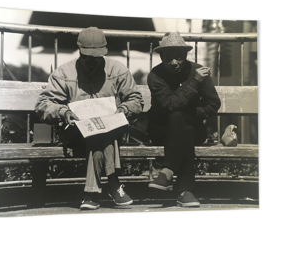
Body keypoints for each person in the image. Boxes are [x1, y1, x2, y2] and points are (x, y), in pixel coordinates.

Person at [35, 27, 144, 209]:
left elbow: (135, 99)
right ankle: (114, 184)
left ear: (104, 52)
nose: (92, 62)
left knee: (102, 131)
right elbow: (43, 104)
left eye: (97, 57)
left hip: (112, 132)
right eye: (87, 57)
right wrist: (64, 112)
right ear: (79, 51)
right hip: (75, 134)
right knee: (96, 132)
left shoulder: (117, 69)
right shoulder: (64, 73)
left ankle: (92, 194)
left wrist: (123, 109)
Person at [147, 32, 221, 207]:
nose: (174, 63)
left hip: (193, 127)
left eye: (179, 58)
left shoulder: (198, 71)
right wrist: (194, 82)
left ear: (186, 56)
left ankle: (167, 172)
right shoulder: (155, 76)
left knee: (184, 124)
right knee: (179, 121)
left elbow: (213, 103)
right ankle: (185, 191)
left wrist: (194, 114)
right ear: (161, 57)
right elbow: (172, 105)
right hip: (162, 130)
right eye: (169, 58)